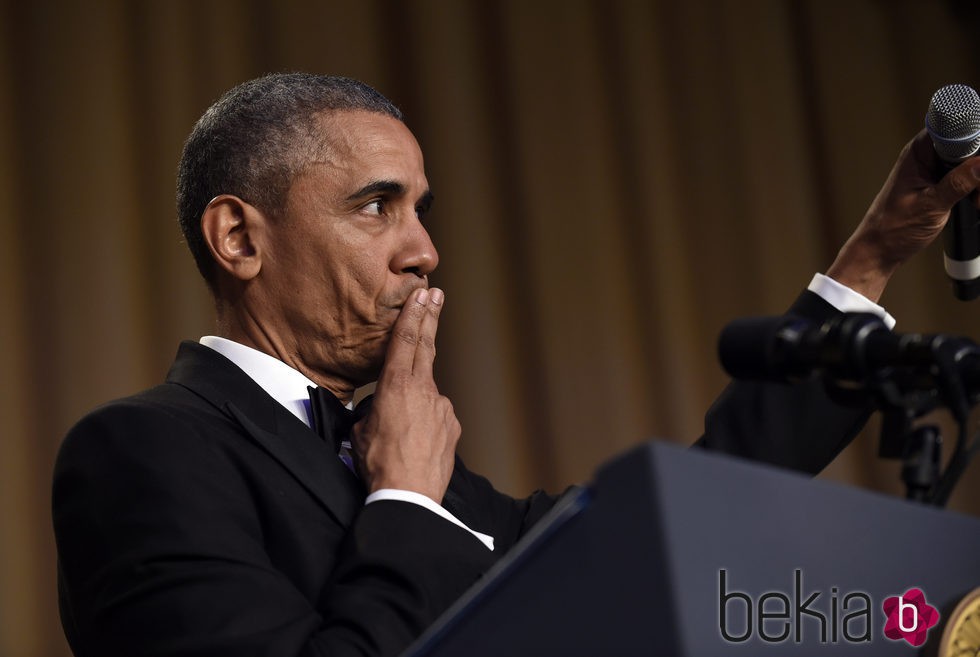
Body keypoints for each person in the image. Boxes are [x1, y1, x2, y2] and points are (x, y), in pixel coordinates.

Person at [51, 73, 980, 657]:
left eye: (422, 209)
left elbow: (689, 515)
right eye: (378, 207)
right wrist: (407, 502)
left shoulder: (423, 472)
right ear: (238, 238)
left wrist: (872, 258)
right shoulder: (140, 451)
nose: (424, 250)